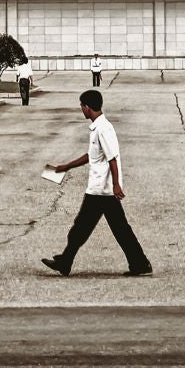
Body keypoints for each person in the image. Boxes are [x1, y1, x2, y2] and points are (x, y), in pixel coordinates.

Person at [41, 89, 152, 277]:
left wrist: (116, 185)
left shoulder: (103, 129)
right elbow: (91, 156)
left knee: (83, 228)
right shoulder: (97, 127)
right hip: (100, 189)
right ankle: (139, 263)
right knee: (114, 229)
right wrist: (66, 166)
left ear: (87, 107)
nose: (81, 110)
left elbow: (113, 158)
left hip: (102, 190)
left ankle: (66, 262)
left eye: (81, 106)